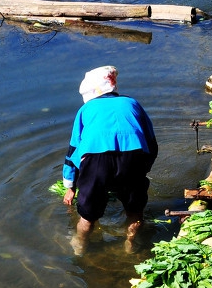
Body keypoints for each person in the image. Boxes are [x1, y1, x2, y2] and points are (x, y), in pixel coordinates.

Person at [60, 66, 158, 251]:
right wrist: (143, 168)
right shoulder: (132, 103)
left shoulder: (85, 109)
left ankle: (80, 244)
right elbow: (151, 142)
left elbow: (73, 150)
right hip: (133, 155)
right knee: (135, 211)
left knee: (88, 215)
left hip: (96, 159)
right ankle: (130, 244)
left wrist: (70, 187)